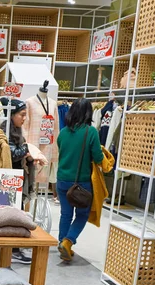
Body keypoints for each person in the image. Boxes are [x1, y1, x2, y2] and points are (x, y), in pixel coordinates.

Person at [0, 98, 34, 265]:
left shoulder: (15, 130)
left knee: (12, 213)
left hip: (12, 177)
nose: (24, 118)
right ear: (13, 115)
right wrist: (27, 149)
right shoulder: (5, 130)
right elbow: (11, 154)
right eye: (22, 115)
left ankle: (13, 249)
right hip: (4, 178)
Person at [56, 98, 104, 261]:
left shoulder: (63, 132)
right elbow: (98, 158)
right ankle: (68, 242)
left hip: (62, 179)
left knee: (65, 214)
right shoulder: (91, 132)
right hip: (81, 182)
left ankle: (61, 242)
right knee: (82, 214)